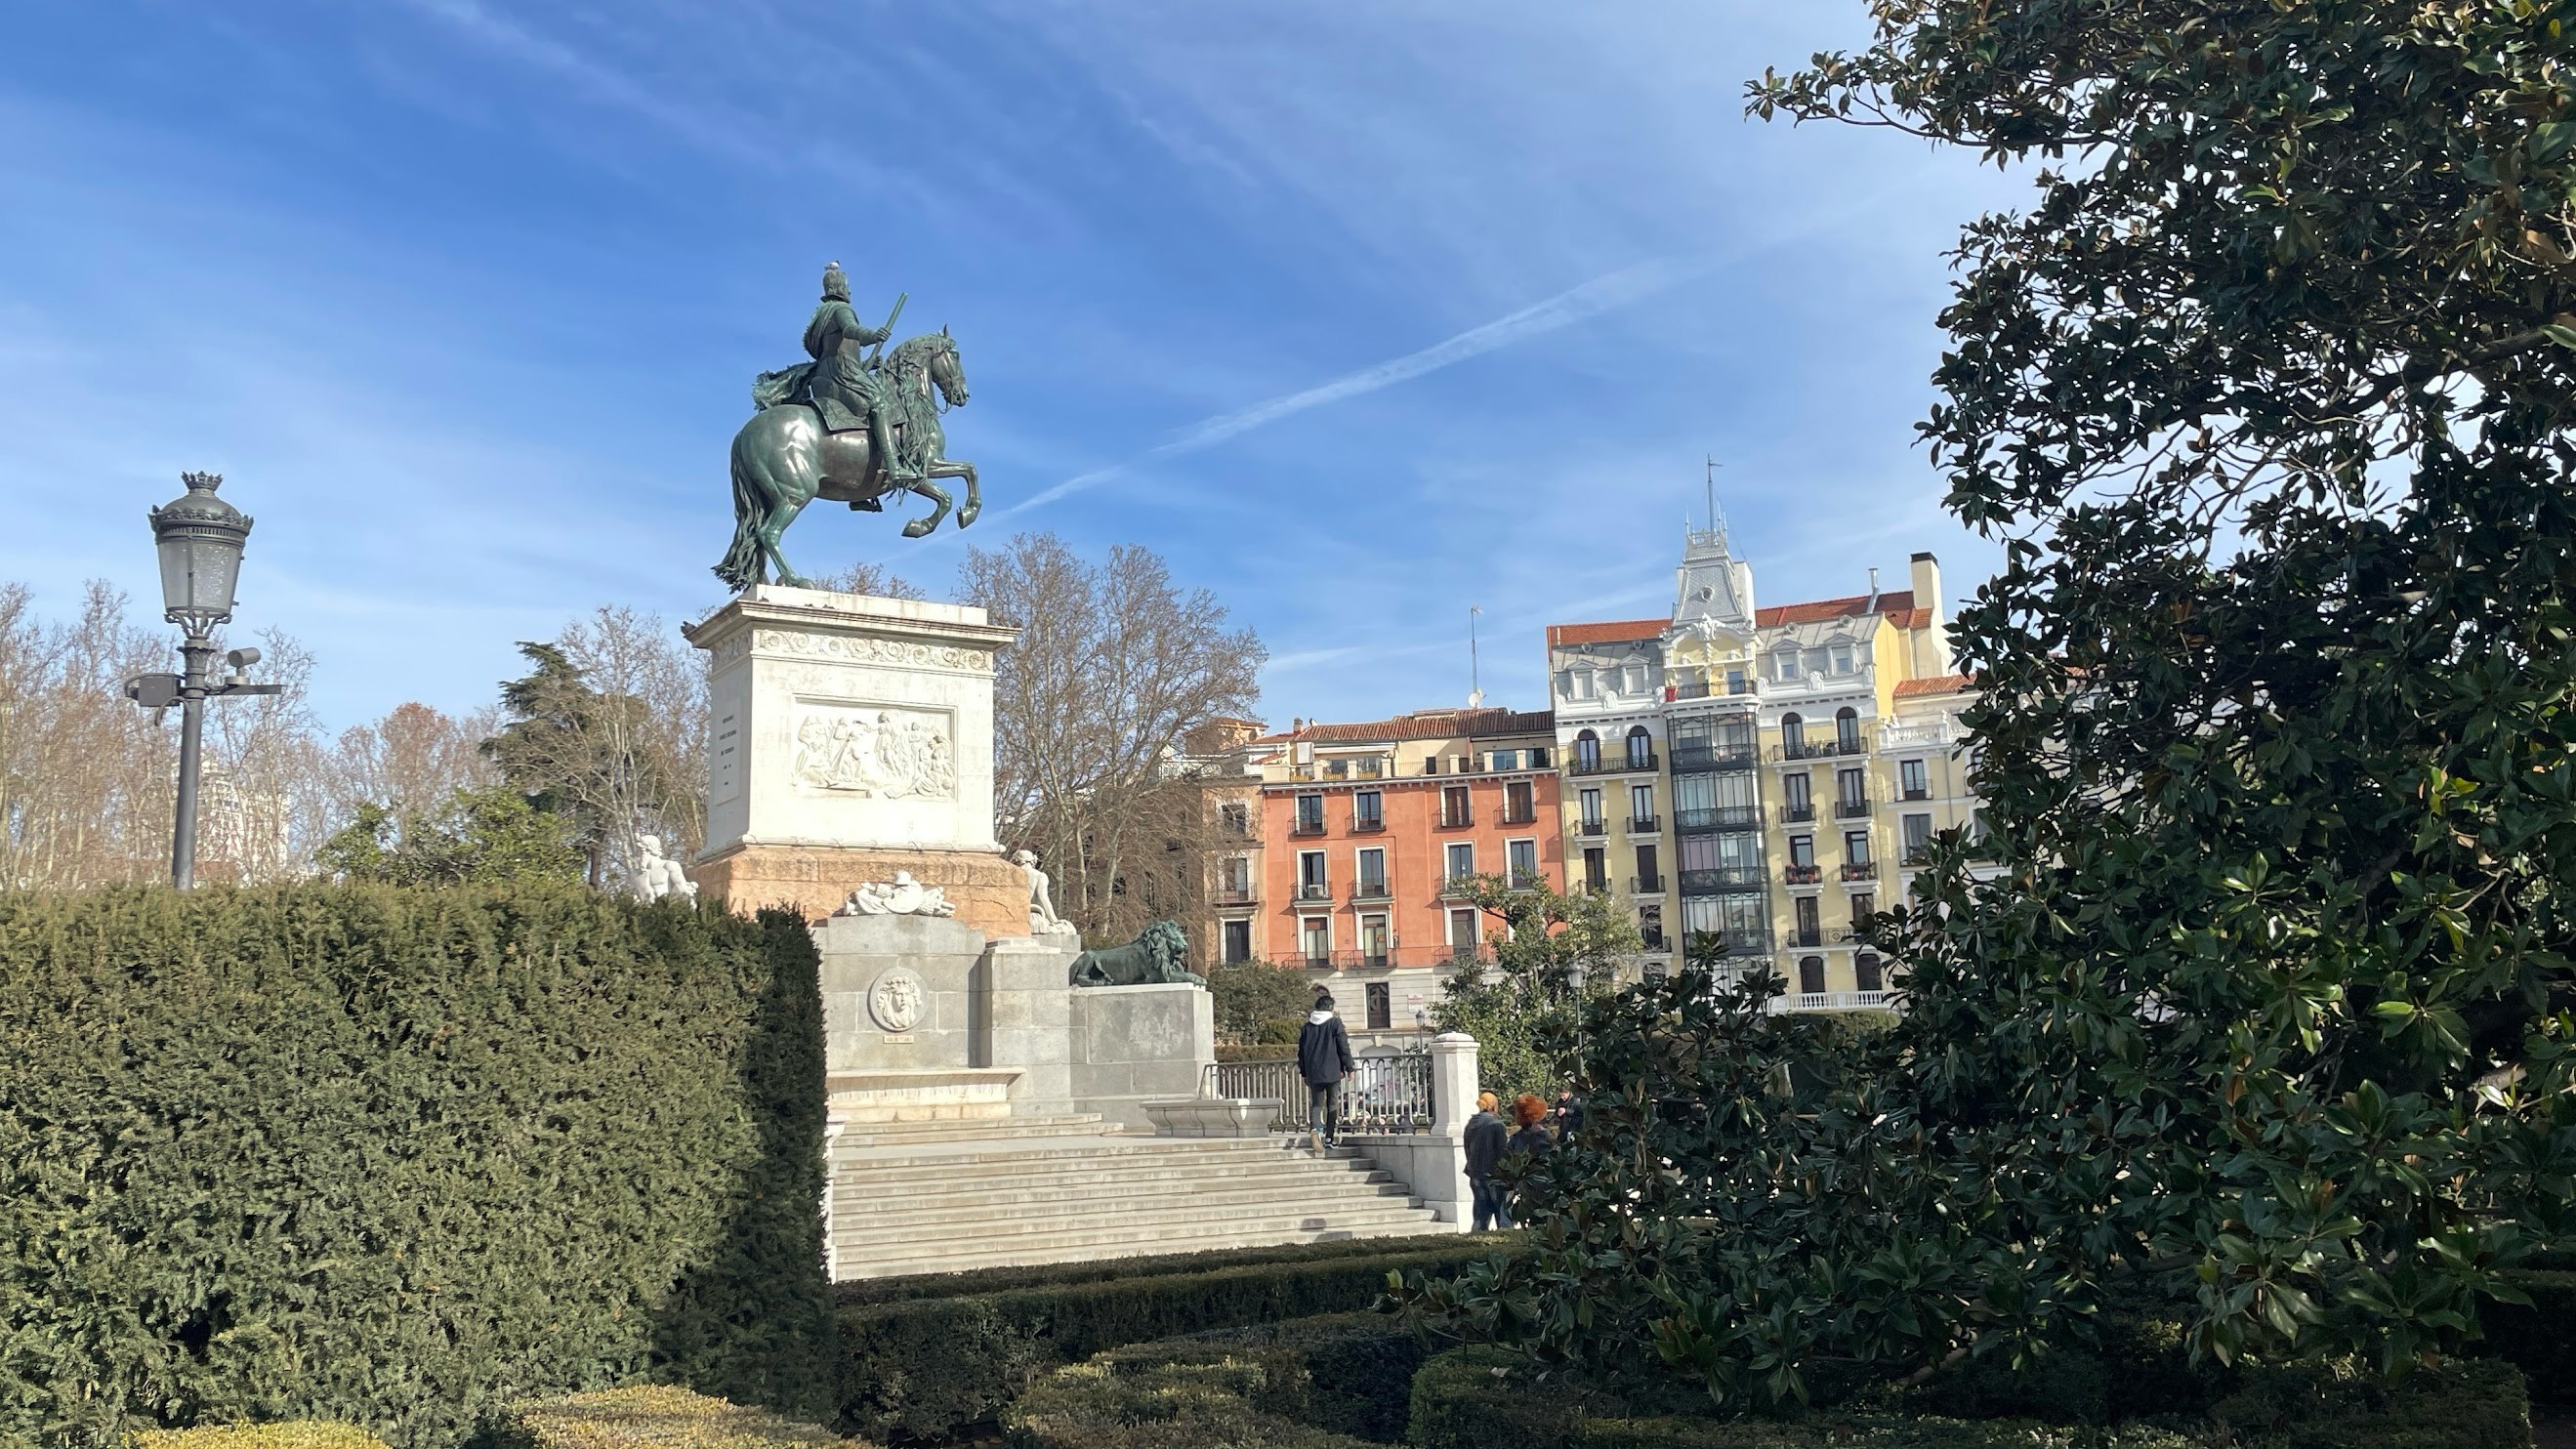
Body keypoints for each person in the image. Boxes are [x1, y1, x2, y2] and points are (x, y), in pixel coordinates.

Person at [802, 261, 919, 484]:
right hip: (841, 372)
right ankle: (894, 468)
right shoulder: (841, 309)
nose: (850, 290)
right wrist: (872, 336)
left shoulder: (821, 315)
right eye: (847, 285)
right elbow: (850, 330)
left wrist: (866, 363)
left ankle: (859, 487)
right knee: (879, 403)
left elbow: (838, 345)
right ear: (840, 287)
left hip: (825, 374)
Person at [1297, 992, 1356, 1153]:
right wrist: (1350, 1067)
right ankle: (1329, 1138)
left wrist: (1304, 1072)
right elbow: (1343, 1047)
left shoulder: (1306, 1027)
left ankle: (1315, 1129)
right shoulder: (1335, 1024)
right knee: (1332, 1103)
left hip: (1313, 1072)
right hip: (1333, 1071)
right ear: (1330, 1008)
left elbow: (1301, 1052)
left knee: (1317, 1103)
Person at [1464, 1091, 1512, 1231]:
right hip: (1494, 1176)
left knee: (1480, 1216)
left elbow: (1467, 1150)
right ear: (1493, 1106)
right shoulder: (1496, 1125)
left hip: (1475, 1174)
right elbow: (1503, 1153)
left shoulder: (1471, 1124)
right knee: (1504, 1217)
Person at [1505, 1094, 1554, 1221]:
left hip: (1526, 1186)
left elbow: (1509, 1160)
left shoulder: (1517, 1138)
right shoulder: (1547, 1137)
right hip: (1546, 1185)